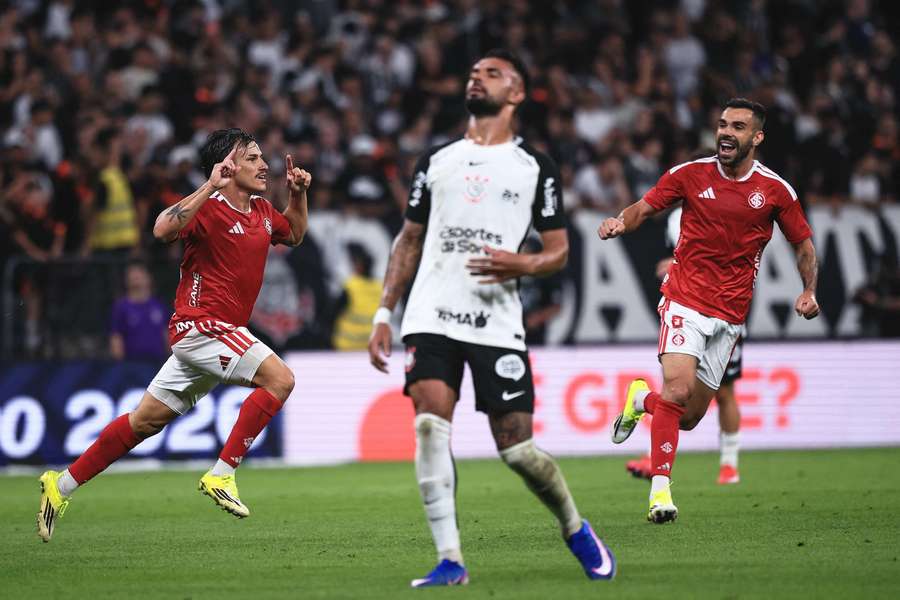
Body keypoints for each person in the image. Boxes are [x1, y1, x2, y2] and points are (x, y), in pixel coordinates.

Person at [368, 49, 616, 587]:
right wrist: (384, 311)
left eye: (493, 73)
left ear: (517, 93)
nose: (477, 78)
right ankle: (450, 560)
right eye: (474, 73)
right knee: (429, 424)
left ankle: (575, 528)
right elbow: (409, 239)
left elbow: (559, 251)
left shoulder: (535, 167)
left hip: (495, 322)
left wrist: (522, 264)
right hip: (431, 313)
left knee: (518, 450)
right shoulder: (437, 160)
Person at [37, 128, 311, 542]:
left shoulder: (261, 210)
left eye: (261, 157)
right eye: (252, 158)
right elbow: (162, 229)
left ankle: (60, 485)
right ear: (227, 166)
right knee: (281, 379)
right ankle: (222, 474)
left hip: (218, 333)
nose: (264, 165)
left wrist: (298, 194)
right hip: (202, 326)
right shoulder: (209, 207)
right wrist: (209, 186)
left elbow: (294, 234)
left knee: (144, 422)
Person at [600, 98, 820, 524]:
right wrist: (620, 222)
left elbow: (803, 246)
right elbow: (644, 207)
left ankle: (639, 399)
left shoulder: (776, 190)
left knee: (687, 417)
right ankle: (660, 493)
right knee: (678, 390)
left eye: (737, 127)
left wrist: (809, 290)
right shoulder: (689, 174)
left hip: (730, 316)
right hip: (684, 299)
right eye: (722, 124)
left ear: (756, 137)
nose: (726, 133)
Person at [625, 207, 744, 485]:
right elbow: (675, 255)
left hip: (726, 313)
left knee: (722, 394)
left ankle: (729, 465)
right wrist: (675, 265)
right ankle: (654, 459)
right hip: (687, 311)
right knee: (675, 388)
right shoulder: (675, 218)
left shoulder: (740, 207)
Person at [109, 261, 169, 361]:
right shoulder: (121, 307)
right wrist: (120, 363)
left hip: (158, 362)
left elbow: (166, 333)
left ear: (148, 278)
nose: (136, 277)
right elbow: (116, 336)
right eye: (132, 275)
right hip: (132, 363)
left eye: (139, 274)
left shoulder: (159, 305)